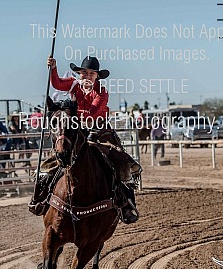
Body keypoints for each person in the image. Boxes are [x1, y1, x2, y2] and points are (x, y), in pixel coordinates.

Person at [29, 55, 141, 224]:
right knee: (58, 156)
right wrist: (53, 68)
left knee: (119, 159)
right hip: (77, 128)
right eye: (84, 72)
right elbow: (57, 83)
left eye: (91, 73)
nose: (87, 76)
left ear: (97, 76)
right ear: (79, 73)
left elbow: (94, 113)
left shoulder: (102, 92)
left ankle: (126, 203)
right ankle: (41, 197)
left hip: (100, 130)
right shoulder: (74, 84)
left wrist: (69, 111)